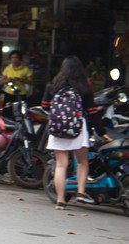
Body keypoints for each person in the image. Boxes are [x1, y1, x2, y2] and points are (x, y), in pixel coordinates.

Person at [41, 55, 112, 210]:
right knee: (82, 161)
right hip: (77, 128)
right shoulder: (83, 87)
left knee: (61, 165)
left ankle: (60, 201)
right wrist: (101, 131)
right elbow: (92, 112)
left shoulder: (53, 85)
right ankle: (80, 193)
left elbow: (45, 106)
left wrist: (58, 115)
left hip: (57, 128)